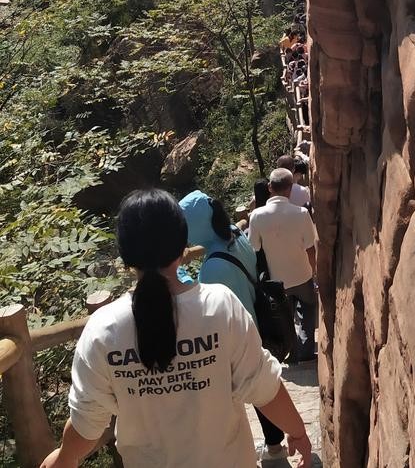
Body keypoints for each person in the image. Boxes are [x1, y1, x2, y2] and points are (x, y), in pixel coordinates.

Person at [39, 189, 311, 468]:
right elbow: (264, 386)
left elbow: (87, 422)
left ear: (125, 255)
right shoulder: (219, 306)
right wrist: (298, 431)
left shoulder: (102, 329)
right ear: (183, 244)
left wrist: (64, 459)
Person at [179, 190, 287, 464]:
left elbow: (207, 304)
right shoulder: (233, 234)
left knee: (256, 390)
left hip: (242, 331)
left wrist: (179, 275)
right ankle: (277, 441)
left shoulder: (213, 267)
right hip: (257, 316)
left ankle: (274, 446)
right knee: (263, 379)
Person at [249, 170, 317, 364]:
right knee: (308, 310)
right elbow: (310, 247)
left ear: (270, 187)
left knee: (285, 316)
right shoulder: (302, 214)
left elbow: (254, 246)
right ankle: (306, 349)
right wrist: (313, 272)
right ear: (290, 189)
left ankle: (293, 352)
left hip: (277, 280)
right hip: (303, 273)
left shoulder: (256, 216)